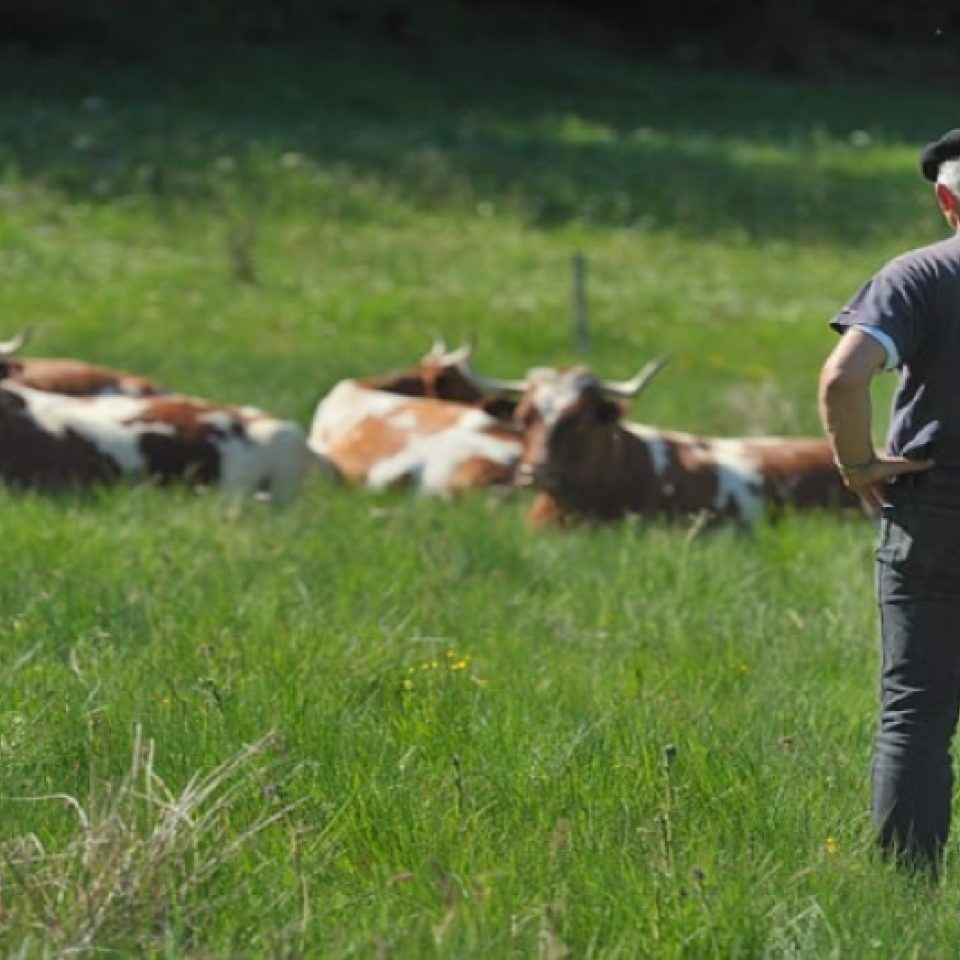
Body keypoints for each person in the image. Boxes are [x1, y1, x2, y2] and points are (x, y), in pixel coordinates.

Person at [818, 128, 960, 874]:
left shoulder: (919, 275)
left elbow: (844, 379)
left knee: (919, 714)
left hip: (937, 512)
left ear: (946, 200)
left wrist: (858, 465)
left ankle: (907, 901)